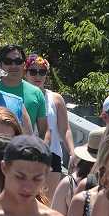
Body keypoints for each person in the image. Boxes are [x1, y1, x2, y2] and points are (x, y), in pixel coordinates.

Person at [25, 54, 73, 194]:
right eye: (33, 71)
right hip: (25, 154)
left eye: (42, 72)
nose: (37, 76)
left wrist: (72, 152)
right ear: (25, 73)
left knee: (48, 201)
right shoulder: (19, 96)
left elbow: (65, 129)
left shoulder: (55, 99)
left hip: (51, 155)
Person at [0, 45, 49, 141]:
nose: (13, 66)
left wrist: (42, 151)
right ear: (0, 65)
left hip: (24, 153)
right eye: (8, 62)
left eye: (18, 61)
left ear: (24, 65)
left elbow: (44, 131)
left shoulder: (36, 93)